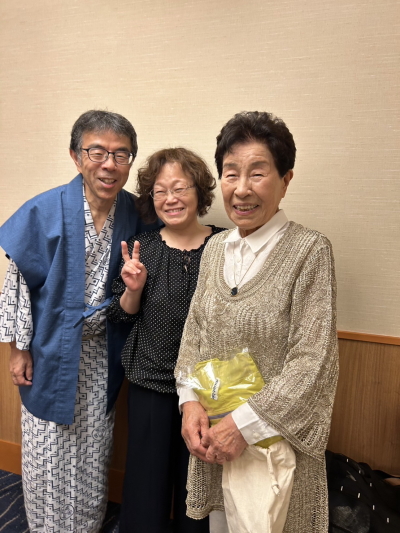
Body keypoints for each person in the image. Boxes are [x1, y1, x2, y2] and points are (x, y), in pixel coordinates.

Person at [175, 111, 339, 533]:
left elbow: (312, 362)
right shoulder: (215, 249)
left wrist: (243, 425)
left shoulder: (309, 251)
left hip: (273, 447)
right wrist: (189, 402)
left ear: (286, 180)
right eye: (231, 173)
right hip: (215, 441)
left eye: (258, 173)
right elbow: (194, 333)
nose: (242, 188)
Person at [0, 110, 158, 532]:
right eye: (97, 152)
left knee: (93, 446)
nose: (109, 164)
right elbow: (17, 285)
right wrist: (17, 349)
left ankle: (86, 523)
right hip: (49, 347)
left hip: (102, 351)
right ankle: (46, 525)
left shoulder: (134, 212)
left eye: (121, 154)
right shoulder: (44, 210)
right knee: (47, 446)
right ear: (76, 156)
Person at [106, 147, 225, 533]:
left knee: (199, 489)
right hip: (151, 383)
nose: (170, 198)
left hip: (209, 391)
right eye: (160, 191)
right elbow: (121, 314)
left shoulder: (226, 246)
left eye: (180, 188)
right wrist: (133, 288)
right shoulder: (143, 246)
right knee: (146, 487)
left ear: (199, 191)